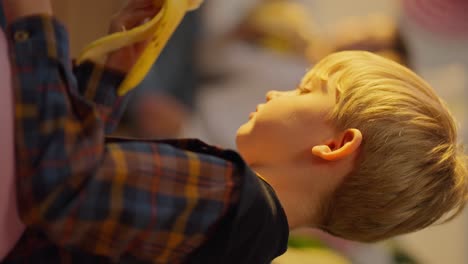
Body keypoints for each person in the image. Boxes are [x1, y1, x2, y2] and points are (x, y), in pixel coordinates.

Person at [3, 0, 467, 263]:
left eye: (306, 89)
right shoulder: (247, 237)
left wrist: (34, 22)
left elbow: (57, 183)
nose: (276, 93)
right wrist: (110, 76)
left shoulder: (224, 197)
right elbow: (82, 174)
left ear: (335, 145)